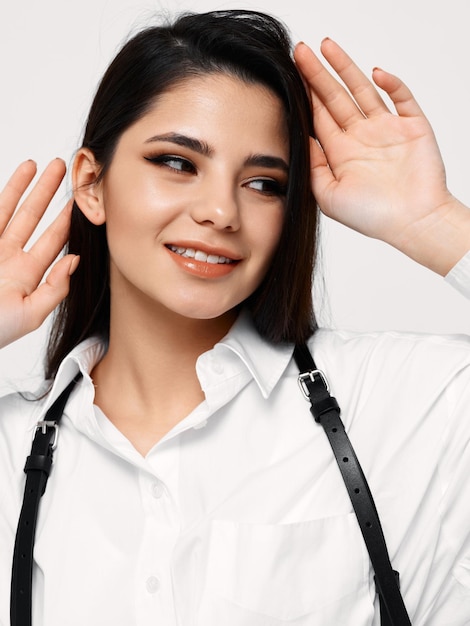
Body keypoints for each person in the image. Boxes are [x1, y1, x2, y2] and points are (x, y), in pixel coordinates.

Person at [0, 8, 469, 625]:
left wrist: (433, 224)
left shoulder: (399, 404)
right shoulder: (11, 449)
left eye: (264, 183)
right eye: (177, 162)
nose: (222, 211)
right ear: (92, 184)